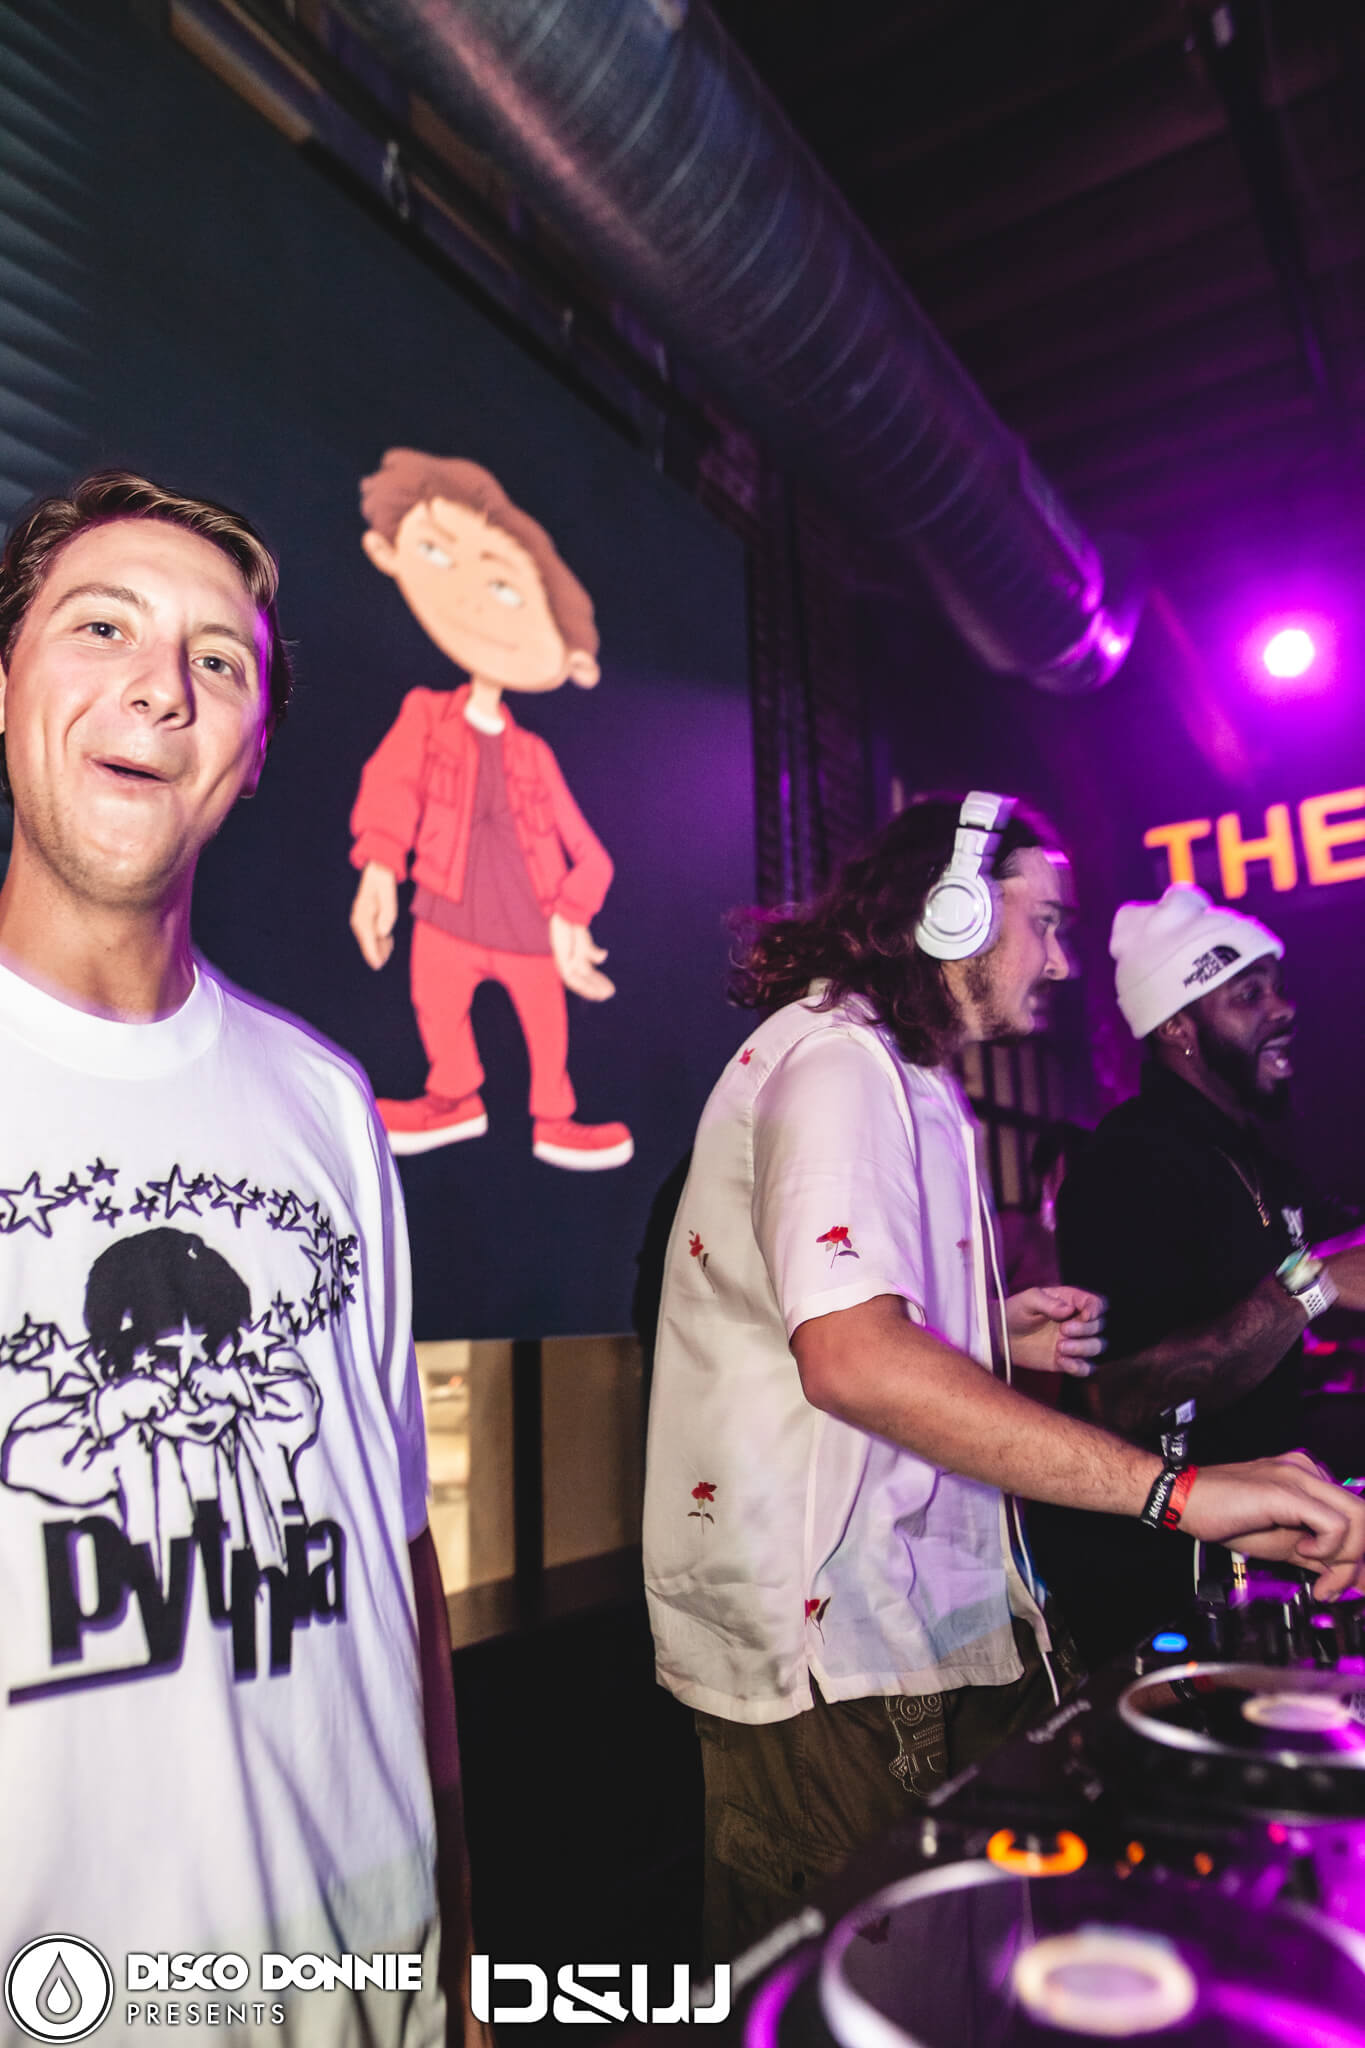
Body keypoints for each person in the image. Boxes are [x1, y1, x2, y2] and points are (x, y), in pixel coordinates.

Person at [641, 797, 1365, 1961]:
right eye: (1048, 923)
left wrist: (979, 1327)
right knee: (860, 2012)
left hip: (930, 1634)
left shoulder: (912, 1076)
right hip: (842, 1659)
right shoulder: (838, 1060)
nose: (1064, 963)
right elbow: (853, 1359)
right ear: (955, 908)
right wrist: (1181, 1492)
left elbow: (833, 1320)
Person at [0, 472, 477, 2044]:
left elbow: (395, 1556)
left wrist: (460, 1954)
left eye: (217, 660)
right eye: (102, 627)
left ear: (254, 749)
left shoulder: (326, 1104)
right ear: (3, 688)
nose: (162, 686)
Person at [1028, 883, 1365, 1668]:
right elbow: (1122, 1397)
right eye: (1247, 995)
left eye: (1276, 987)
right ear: (1176, 1026)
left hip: (1263, 1549)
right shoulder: (1127, 1163)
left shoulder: (1255, 1159)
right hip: (1159, 1587)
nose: (1282, 1008)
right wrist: (1307, 1287)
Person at [348, 450, 631, 1169]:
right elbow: (392, 786)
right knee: (436, 1003)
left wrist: (571, 914)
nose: (473, 603)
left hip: (527, 924)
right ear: (389, 553)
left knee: (545, 1025)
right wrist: (379, 869)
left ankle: (555, 1117)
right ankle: (453, 1096)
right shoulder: (426, 714)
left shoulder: (535, 754)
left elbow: (590, 853)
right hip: (445, 907)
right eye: (436, 555)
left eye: (506, 590)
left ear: (568, 658)